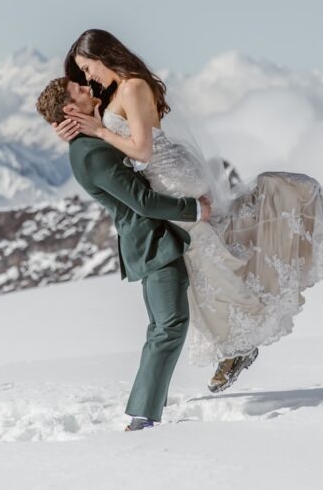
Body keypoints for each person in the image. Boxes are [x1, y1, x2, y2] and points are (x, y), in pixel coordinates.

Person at [51, 29, 323, 394]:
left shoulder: (132, 86)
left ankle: (240, 344)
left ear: (105, 55)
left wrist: (98, 130)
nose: (88, 77)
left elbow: (140, 152)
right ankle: (236, 346)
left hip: (170, 178)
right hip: (168, 176)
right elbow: (116, 134)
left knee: (212, 264)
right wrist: (80, 131)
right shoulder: (118, 90)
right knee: (210, 264)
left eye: (88, 67)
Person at [36, 78, 211, 431]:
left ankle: (148, 405)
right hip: (152, 240)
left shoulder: (89, 141)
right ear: (71, 110)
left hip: (150, 239)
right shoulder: (92, 152)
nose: (88, 87)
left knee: (160, 326)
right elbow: (143, 202)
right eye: (80, 90)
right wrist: (195, 210)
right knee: (170, 325)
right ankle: (142, 416)